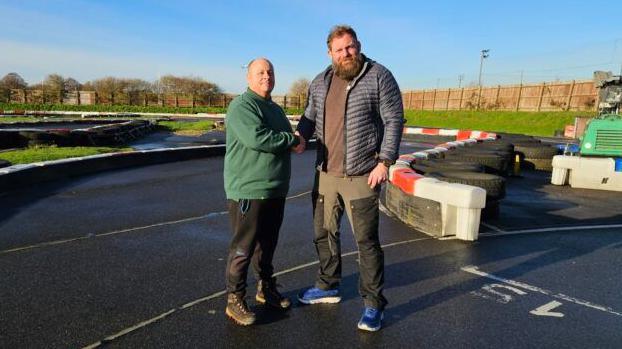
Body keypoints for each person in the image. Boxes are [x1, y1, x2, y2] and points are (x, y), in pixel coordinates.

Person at [295, 25, 404, 331]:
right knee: (324, 233)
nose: (346, 54)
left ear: (358, 45)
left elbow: (394, 119)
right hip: (326, 174)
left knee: (366, 242)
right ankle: (328, 285)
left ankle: (373, 305)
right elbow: (309, 117)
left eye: (350, 47)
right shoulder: (320, 82)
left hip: (362, 175)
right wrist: (300, 136)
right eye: (340, 49)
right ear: (330, 53)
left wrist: (385, 161)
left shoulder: (379, 75)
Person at [223, 57, 304, 326]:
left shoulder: (276, 109)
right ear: (248, 78)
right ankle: (234, 300)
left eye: (270, 72)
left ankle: (265, 288)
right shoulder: (242, 105)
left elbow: (285, 138)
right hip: (249, 189)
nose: (266, 76)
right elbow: (257, 138)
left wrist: (292, 138)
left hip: (275, 188)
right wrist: (291, 139)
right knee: (243, 247)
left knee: (267, 245)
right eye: (260, 72)